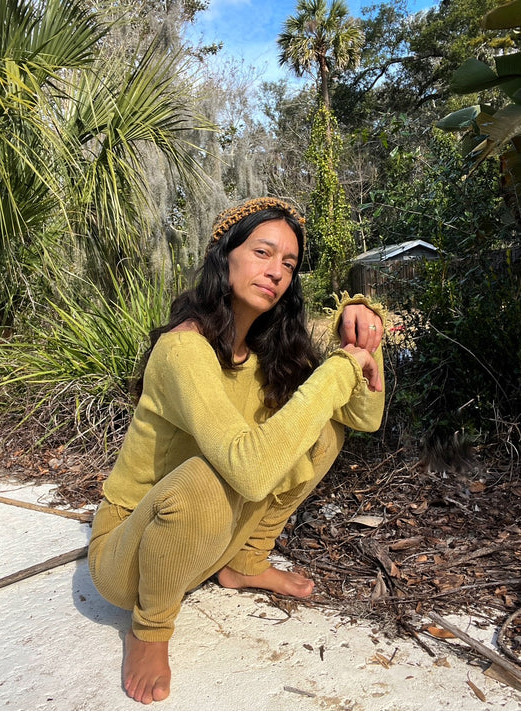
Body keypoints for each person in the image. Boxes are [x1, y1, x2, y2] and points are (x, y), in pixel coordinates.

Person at [88, 197, 385, 705]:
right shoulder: (184, 349)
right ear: (224, 257)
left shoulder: (268, 351)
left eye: (288, 263)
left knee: (322, 430)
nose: (276, 272)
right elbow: (248, 472)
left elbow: (364, 418)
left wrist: (360, 337)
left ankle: (244, 562)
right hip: (130, 557)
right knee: (208, 475)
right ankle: (150, 628)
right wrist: (339, 369)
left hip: (207, 542)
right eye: (262, 252)